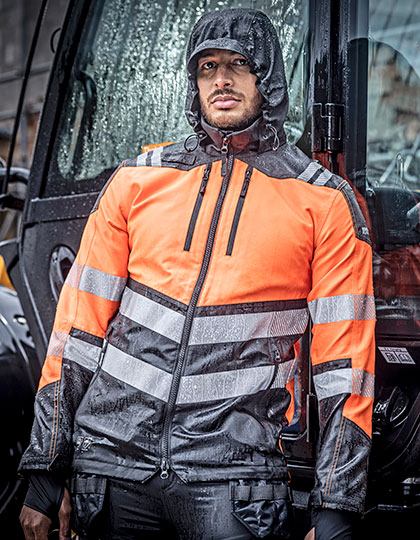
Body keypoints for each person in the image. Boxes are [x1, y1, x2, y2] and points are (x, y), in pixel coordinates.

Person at [19, 8, 375, 540]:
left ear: (269, 79)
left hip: (235, 481)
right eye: (208, 67)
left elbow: (345, 369)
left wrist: (336, 506)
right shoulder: (137, 181)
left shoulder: (323, 202)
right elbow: (77, 332)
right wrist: (46, 470)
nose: (221, 80)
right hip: (111, 469)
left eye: (238, 64)